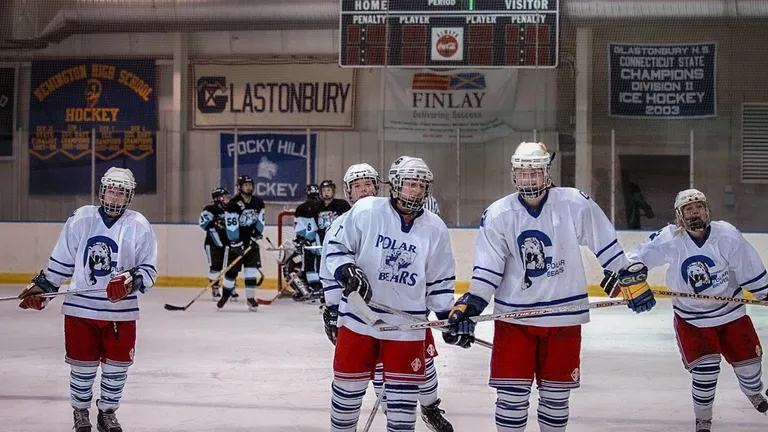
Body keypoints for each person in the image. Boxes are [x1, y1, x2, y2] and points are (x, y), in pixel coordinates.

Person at [443, 142, 657, 432]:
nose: (529, 180)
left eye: (535, 173)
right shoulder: (498, 214)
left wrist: (625, 275)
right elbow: (487, 270)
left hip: (564, 319)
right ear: (514, 175)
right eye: (523, 173)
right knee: (510, 399)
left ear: (546, 173)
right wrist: (471, 304)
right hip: (514, 320)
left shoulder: (574, 202)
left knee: (556, 400)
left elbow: (604, 242)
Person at [602, 188, 768, 432]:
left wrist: (765, 292)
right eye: (688, 209)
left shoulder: (727, 235)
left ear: (707, 209)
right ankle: (703, 418)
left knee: (750, 365)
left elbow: (749, 267)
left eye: (698, 206)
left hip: (731, 313)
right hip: (692, 320)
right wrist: (619, 272)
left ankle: (754, 392)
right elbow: (639, 256)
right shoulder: (670, 238)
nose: (694, 212)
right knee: (705, 373)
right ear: (679, 215)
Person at [18, 167, 158, 432]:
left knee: (117, 369)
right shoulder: (81, 218)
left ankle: (107, 413)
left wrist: (131, 282)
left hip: (120, 314)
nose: (115, 197)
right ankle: (80, 413)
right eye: (111, 191)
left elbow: (148, 270)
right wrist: (44, 288)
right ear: (102, 191)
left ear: (129, 197)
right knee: (82, 368)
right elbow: (62, 261)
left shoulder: (139, 225)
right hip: (80, 311)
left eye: (121, 193)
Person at [323, 156, 456, 432]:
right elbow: (335, 252)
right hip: (359, 320)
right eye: (409, 184)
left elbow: (440, 279)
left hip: (406, 325)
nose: (415, 191)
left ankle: (429, 408)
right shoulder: (366, 213)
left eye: (420, 185)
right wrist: (341, 284)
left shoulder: (434, 227)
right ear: (395, 184)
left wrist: (449, 315)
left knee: (403, 405)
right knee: (346, 393)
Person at [219, 174, 265, 311]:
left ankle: (251, 298)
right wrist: (236, 242)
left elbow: (260, 221)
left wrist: (256, 234)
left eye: (250, 185)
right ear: (240, 187)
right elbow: (231, 226)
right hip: (236, 244)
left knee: (251, 270)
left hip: (251, 243)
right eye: (246, 185)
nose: (248, 187)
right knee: (231, 272)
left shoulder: (258, 202)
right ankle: (225, 295)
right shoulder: (233, 204)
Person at [199, 187, 230, 299]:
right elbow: (203, 224)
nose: (227, 199)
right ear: (217, 198)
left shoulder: (229, 209)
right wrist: (215, 224)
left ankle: (230, 288)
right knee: (215, 266)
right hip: (212, 242)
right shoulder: (210, 209)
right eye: (224, 197)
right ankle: (215, 288)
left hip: (227, 242)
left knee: (229, 266)